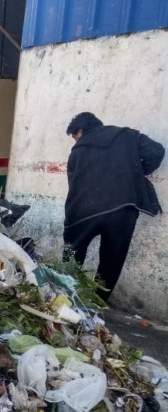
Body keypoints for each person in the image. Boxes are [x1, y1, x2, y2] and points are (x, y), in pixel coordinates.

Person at [63, 112, 165, 300]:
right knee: (112, 260)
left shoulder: (78, 152)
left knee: (72, 254)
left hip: (85, 212)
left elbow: (74, 185)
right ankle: (97, 303)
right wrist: (139, 171)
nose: (76, 142)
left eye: (75, 137)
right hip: (122, 211)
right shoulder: (128, 136)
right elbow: (156, 151)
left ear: (80, 130)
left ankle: (67, 297)